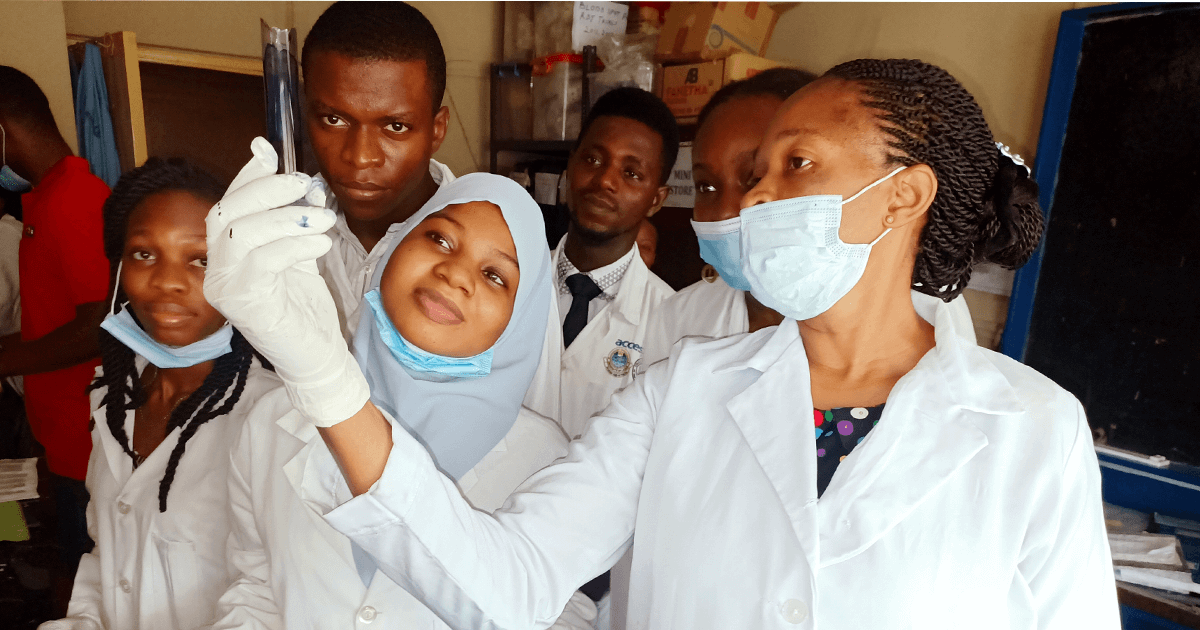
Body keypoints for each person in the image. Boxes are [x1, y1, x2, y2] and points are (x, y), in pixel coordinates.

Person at [207, 58, 1121, 629]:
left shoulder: (1030, 431)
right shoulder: (680, 390)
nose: (754, 199)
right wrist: (322, 372)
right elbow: (507, 585)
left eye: (793, 164)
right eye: (750, 174)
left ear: (901, 196)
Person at [203, 147, 595, 630]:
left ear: (522, 323)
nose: (455, 275)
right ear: (392, 251)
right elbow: (255, 588)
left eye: (495, 276)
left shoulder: (549, 462)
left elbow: (561, 615)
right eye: (440, 239)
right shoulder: (270, 421)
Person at [36, 159, 279, 630]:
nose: (167, 281)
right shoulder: (112, 396)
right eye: (144, 254)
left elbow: (267, 593)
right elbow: (105, 552)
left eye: (201, 259)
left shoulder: (268, 412)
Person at [643, 67, 976, 367]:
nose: (736, 208)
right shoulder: (679, 319)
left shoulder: (930, 319)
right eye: (707, 186)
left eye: (755, 176)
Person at [0, 65, 111, 570]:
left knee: (88, 575)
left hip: (90, 448)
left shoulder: (75, 201)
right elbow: (53, 319)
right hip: (62, 443)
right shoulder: (41, 200)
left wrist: (5, 360)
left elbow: (96, 324)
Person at [522, 87, 678, 443]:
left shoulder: (672, 322)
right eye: (593, 160)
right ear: (570, 167)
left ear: (656, 199)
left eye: (632, 173)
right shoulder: (509, 282)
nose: (606, 181)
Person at [302, 1, 456, 340]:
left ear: (438, 130)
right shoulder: (281, 226)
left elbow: (537, 394)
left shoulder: (498, 251)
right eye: (334, 119)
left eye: (396, 126)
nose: (360, 158)